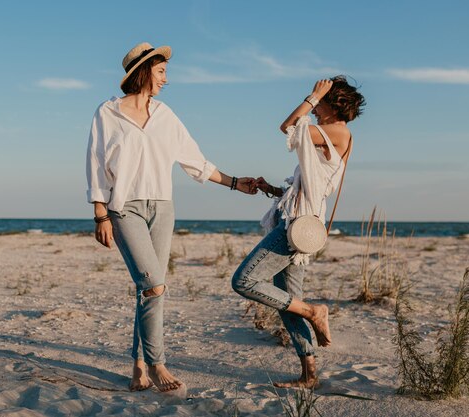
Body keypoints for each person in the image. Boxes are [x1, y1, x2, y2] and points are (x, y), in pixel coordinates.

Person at [86, 42, 255, 393]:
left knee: (148, 291)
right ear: (144, 71)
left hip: (163, 208)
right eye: (161, 72)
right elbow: (96, 164)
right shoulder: (107, 112)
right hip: (124, 208)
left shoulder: (165, 115)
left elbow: (196, 161)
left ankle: (137, 365)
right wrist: (100, 214)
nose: (166, 79)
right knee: (154, 284)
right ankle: (157, 362)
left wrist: (236, 183)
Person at [232, 76, 365, 388]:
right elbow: (305, 188)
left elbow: (288, 127)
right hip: (293, 218)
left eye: (322, 105)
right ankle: (309, 374)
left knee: (244, 281)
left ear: (335, 106)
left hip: (296, 226)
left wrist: (313, 95)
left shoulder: (338, 131)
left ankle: (314, 311)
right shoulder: (328, 133)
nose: (316, 111)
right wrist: (271, 189)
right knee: (287, 301)